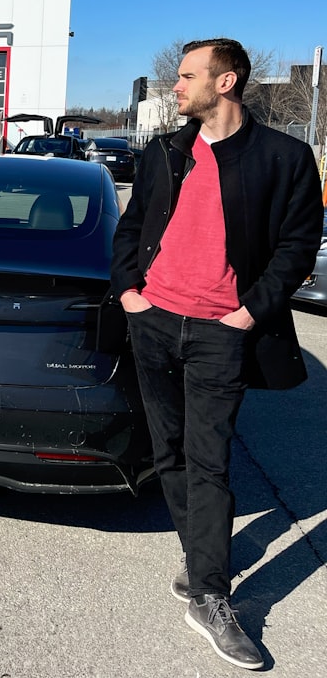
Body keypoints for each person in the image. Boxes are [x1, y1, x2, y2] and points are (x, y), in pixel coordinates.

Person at [111, 38, 323, 670]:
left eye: (185, 76)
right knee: (169, 453)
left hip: (220, 333)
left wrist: (248, 312)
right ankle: (200, 556)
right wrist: (129, 293)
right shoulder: (165, 152)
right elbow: (132, 227)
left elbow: (297, 244)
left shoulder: (283, 157)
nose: (173, 87)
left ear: (225, 82)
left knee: (210, 461)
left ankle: (208, 592)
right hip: (153, 323)